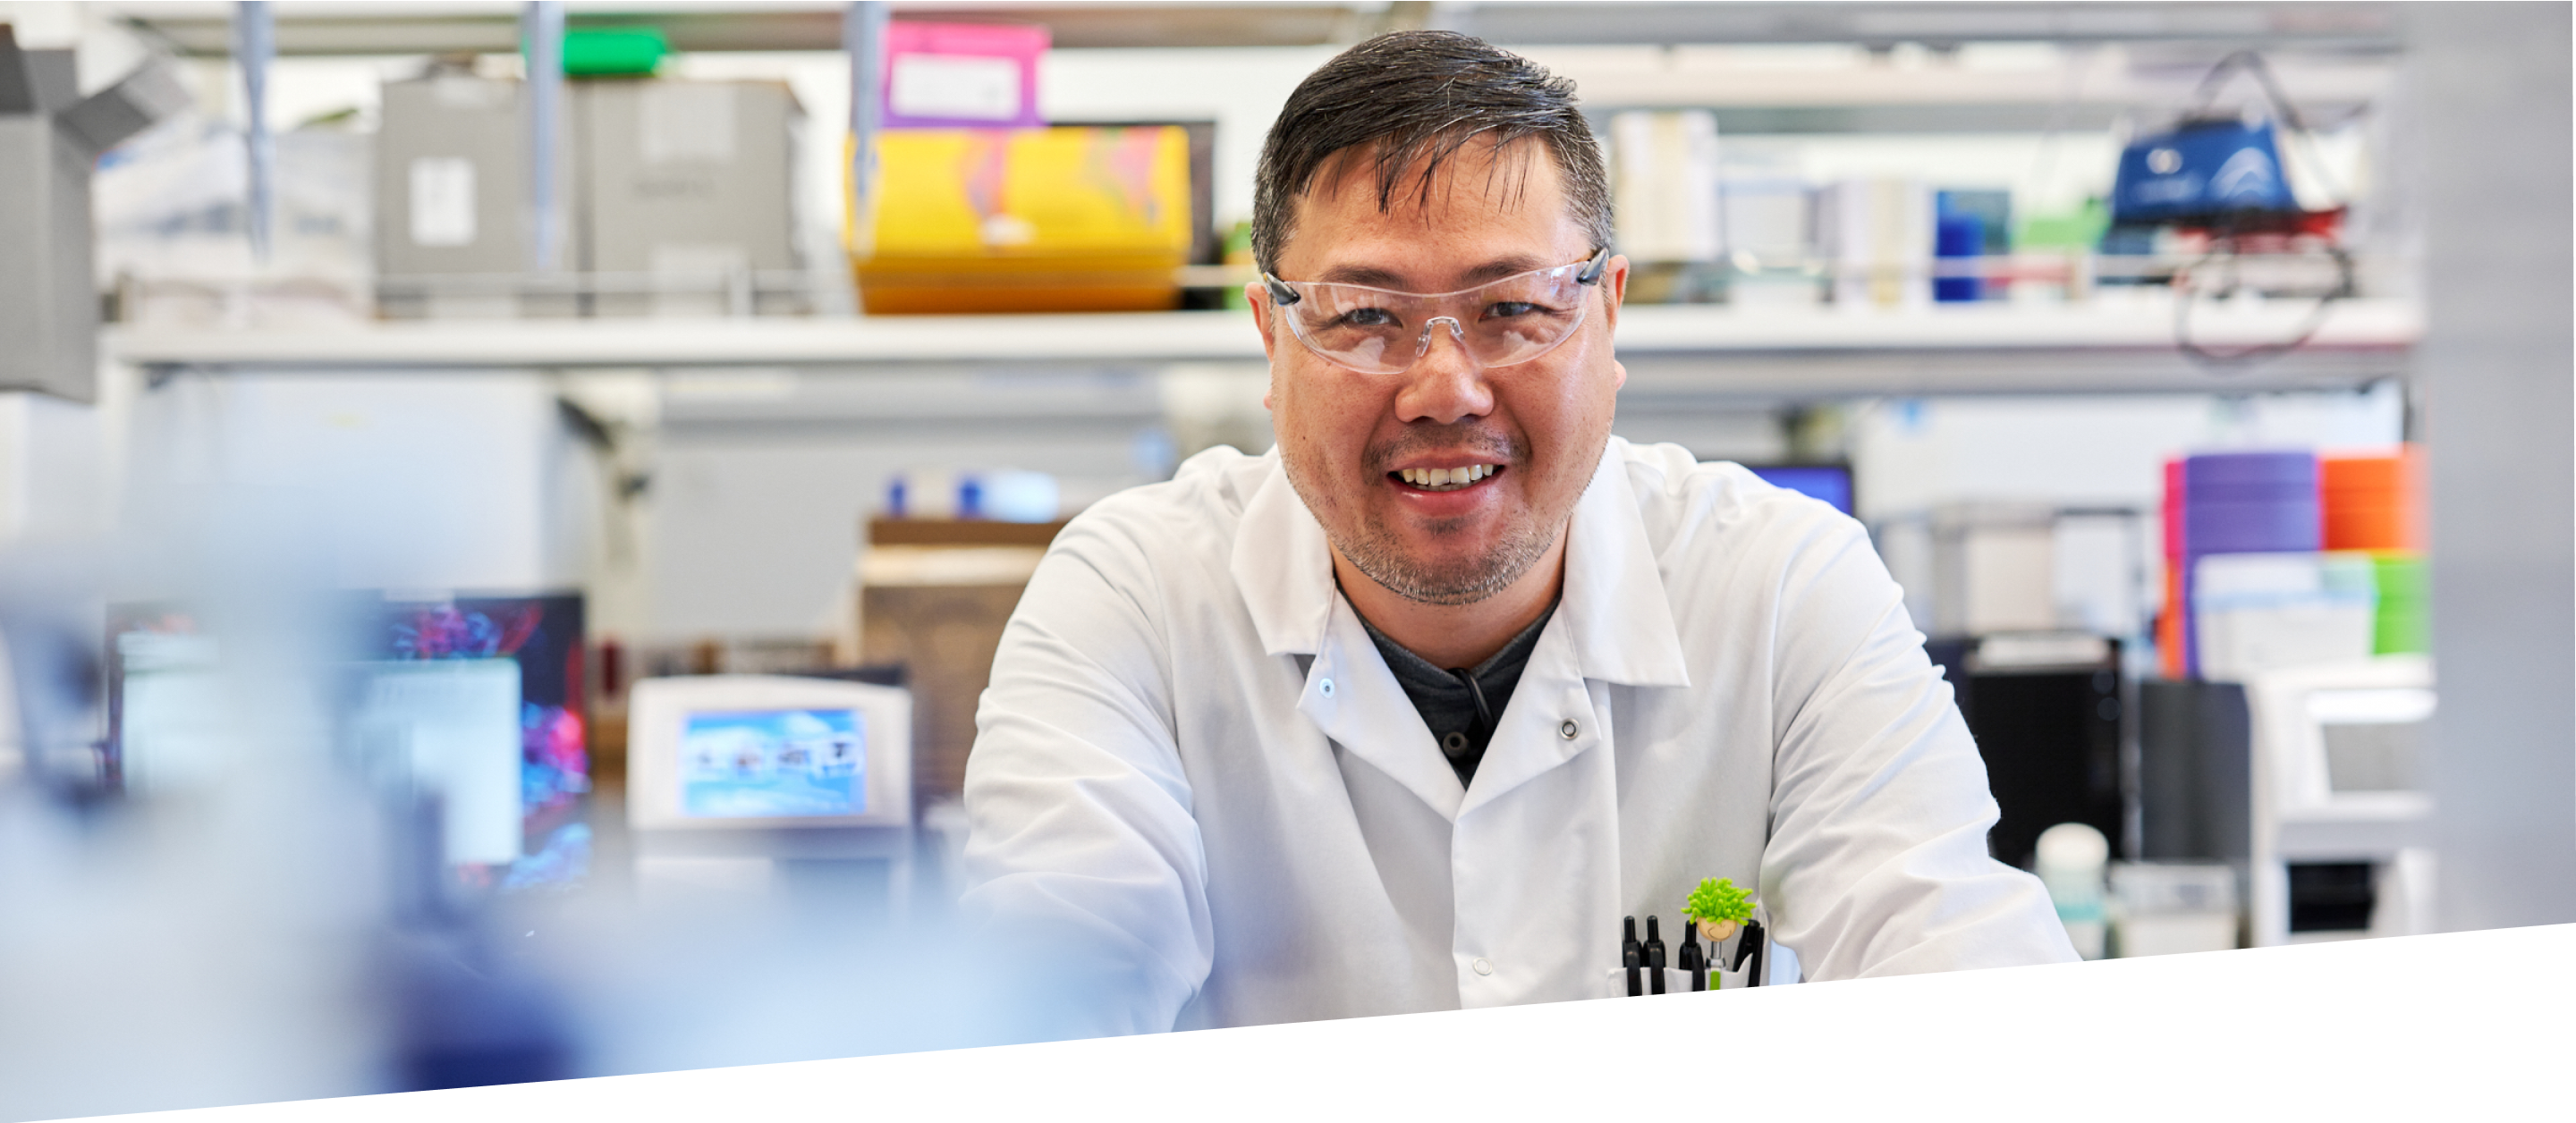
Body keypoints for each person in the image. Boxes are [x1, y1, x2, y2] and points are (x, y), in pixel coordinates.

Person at [961, 30, 2076, 1035]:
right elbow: (1049, 997)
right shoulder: (1138, 594)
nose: (1444, 387)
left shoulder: (1783, 583)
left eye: (1512, 308)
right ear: (1271, 336)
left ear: (1606, 311)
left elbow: (1954, 970)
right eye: (1364, 317)